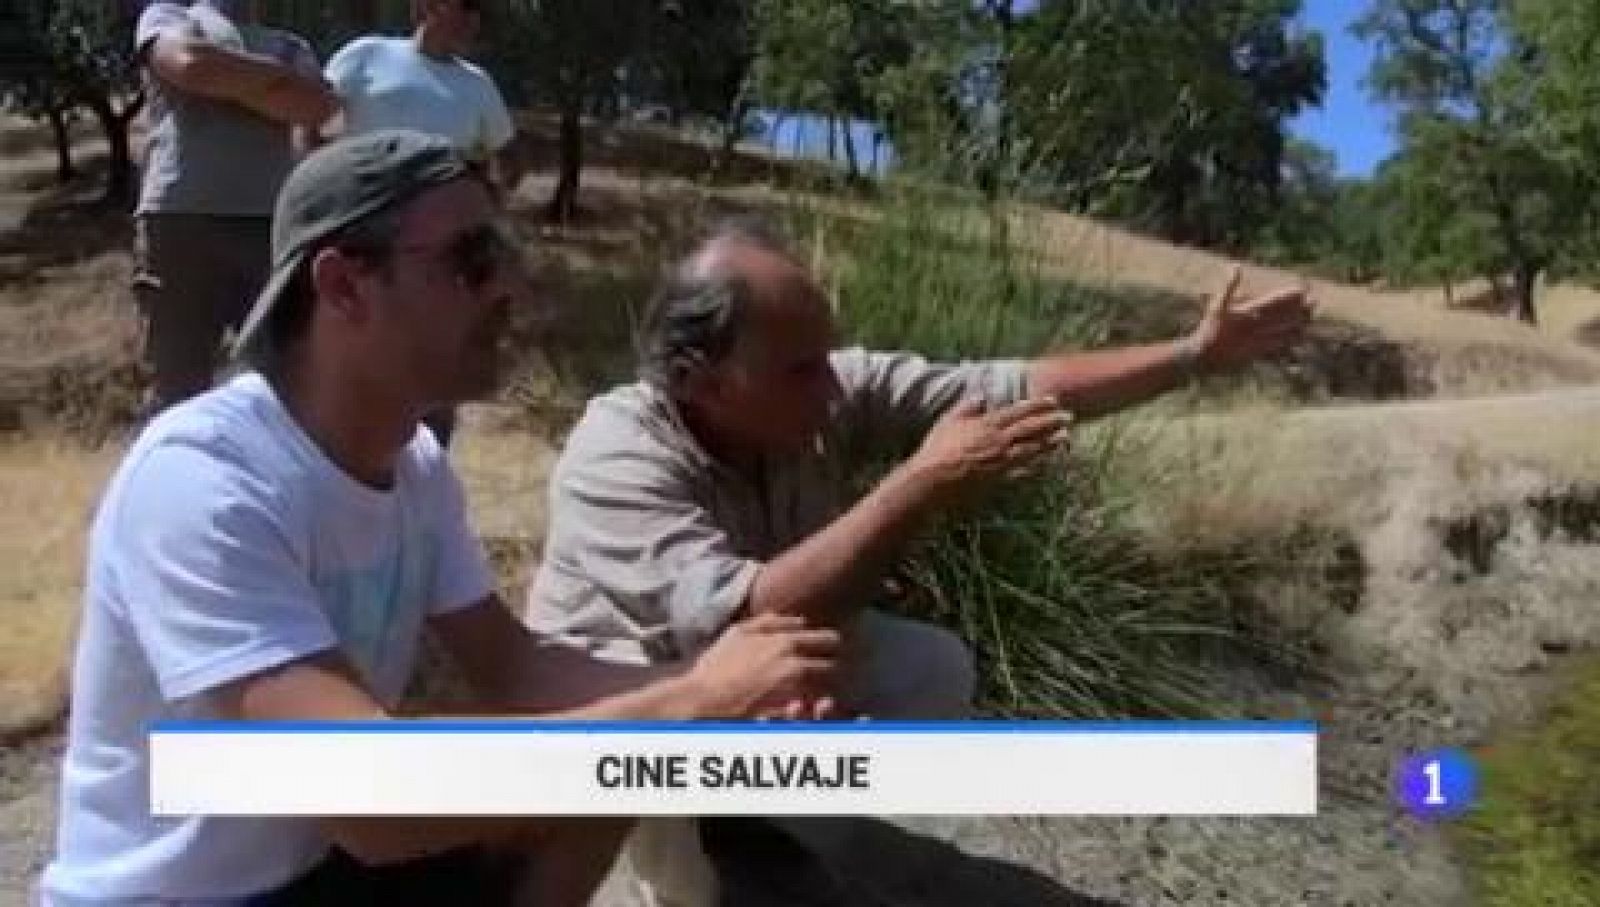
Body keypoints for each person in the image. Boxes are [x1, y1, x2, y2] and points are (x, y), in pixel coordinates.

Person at [39, 132, 839, 907]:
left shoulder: (414, 464)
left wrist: (730, 698)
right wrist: (688, 703)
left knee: (599, 779)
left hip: (322, 879)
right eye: (471, 260)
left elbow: (517, 669)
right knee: (608, 752)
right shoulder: (205, 481)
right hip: (181, 895)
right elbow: (374, 805)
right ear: (344, 284)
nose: (507, 290)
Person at [521, 220, 1314, 904]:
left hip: (749, 657)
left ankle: (768, 830)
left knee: (928, 667)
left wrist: (1192, 355)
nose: (833, 388)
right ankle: (684, 868)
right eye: (802, 369)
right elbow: (744, 613)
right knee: (691, 865)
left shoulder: (823, 387)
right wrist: (922, 484)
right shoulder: (616, 452)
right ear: (701, 382)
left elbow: (1012, 387)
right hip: (629, 693)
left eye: (828, 357)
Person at [321, 0, 524, 448]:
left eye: (477, 13)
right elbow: (314, 120)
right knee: (354, 349)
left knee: (436, 353)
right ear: (425, 8)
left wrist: (482, 206)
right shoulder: (366, 56)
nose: (473, 20)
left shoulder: (477, 86)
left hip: (441, 249)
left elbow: (508, 159)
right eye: (464, 8)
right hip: (360, 235)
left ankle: (425, 466)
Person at [132, 0, 339, 414]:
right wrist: (278, 81)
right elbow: (190, 65)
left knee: (280, 381)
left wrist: (228, 79)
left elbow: (315, 108)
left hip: (273, 226)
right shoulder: (169, 18)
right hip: (181, 221)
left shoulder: (290, 43)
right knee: (176, 383)